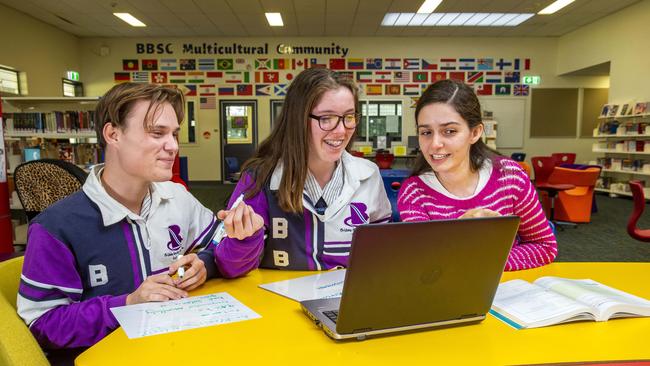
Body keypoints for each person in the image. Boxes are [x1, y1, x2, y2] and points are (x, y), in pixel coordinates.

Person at [17, 83, 262, 353]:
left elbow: (217, 248)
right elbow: (44, 325)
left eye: (174, 134)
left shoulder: (177, 198)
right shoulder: (56, 227)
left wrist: (207, 263)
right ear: (113, 134)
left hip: (182, 348)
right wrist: (129, 304)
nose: (173, 146)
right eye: (157, 133)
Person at [217, 68, 392, 271]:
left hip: (349, 300)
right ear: (298, 119)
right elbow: (228, 267)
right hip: (280, 301)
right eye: (326, 118)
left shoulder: (368, 174)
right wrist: (245, 237)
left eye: (349, 117)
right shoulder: (260, 177)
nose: (342, 130)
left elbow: (381, 255)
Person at [397, 79, 557, 271]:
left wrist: (485, 260)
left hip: (507, 293)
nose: (434, 144)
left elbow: (545, 246)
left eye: (449, 131)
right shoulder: (414, 193)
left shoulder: (510, 178)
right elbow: (426, 263)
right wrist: (459, 235)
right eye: (426, 132)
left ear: (475, 132)